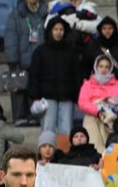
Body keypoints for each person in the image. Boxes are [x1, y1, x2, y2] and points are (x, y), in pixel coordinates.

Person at [28, 18, 82, 146]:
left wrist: (76, 96)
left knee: (66, 130)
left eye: (61, 29)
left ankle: (64, 157)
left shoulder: (71, 51)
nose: (59, 32)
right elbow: (34, 75)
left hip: (67, 97)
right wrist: (34, 96)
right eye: (56, 29)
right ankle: (47, 158)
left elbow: (77, 75)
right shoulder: (40, 51)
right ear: (50, 31)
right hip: (47, 98)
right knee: (48, 130)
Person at [77, 54, 118, 150]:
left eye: (107, 67)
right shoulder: (87, 84)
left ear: (110, 69)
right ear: (96, 67)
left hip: (112, 118)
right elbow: (82, 102)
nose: (103, 69)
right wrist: (98, 109)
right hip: (93, 117)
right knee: (93, 144)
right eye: (101, 66)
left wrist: (109, 109)